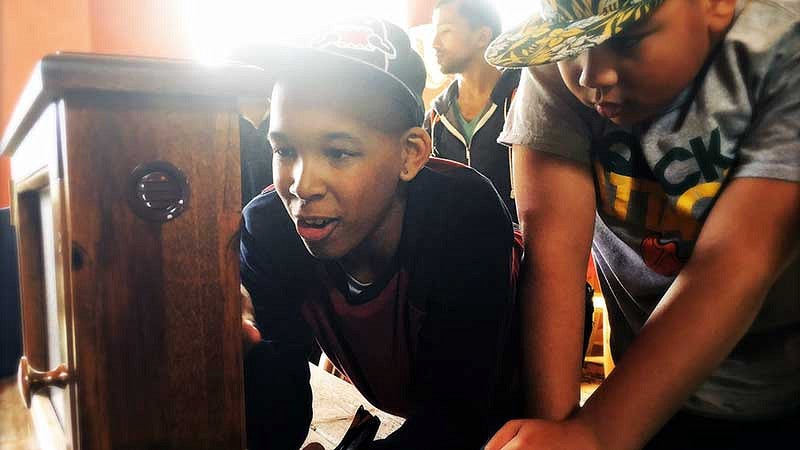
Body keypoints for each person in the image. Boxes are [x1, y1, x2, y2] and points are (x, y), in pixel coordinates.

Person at [481, 0, 800, 449]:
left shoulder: (783, 53)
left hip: (782, 385)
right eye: (575, 46)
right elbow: (553, 252)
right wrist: (558, 426)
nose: (592, 76)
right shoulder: (555, 67)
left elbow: (737, 258)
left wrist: (595, 434)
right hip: (638, 385)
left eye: (626, 39)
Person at [239, 17, 523, 450]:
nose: (301, 184)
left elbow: (456, 420)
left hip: (509, 388)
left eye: (338, 152)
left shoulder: (461, 214)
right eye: (285, 150)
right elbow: (282, 401)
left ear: (410, 154)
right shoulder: (269, 229)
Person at [426, 0, 521, 221]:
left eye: (445, 31)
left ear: (482, 36)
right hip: (459, 247)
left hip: (519, 248)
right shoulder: (435, 117)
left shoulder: (522, 101)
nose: (434, 43)